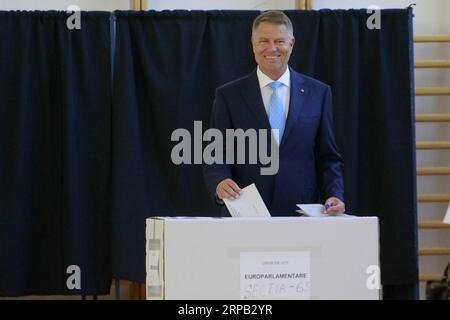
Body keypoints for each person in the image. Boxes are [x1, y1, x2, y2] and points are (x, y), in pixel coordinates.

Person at [203, 10, 345, 216]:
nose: (272, 48)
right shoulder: (228, 95)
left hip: (301, 216)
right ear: (253, 44)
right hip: (245, 214)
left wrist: (334, 194)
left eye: (279, 41)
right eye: (264, 41)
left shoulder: (319, 93)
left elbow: (328, 157)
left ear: (291, 44)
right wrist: (219, 182)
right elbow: (215, 153)